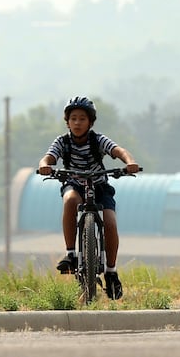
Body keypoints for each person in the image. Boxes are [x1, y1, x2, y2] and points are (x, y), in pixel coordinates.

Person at [37, 96, 139, 300]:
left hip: (99, 186)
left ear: (90, 122)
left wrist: (130, 162)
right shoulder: (62, 142)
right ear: (67, 122)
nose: (77, 123)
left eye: (82, 119)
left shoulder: (97, 140)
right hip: (74, 184)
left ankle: (111, 271)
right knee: (70, 201)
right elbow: (48, 157)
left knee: (109, 222)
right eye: (73, 118)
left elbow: (118, 151)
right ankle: (71, 254)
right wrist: (44, 165)